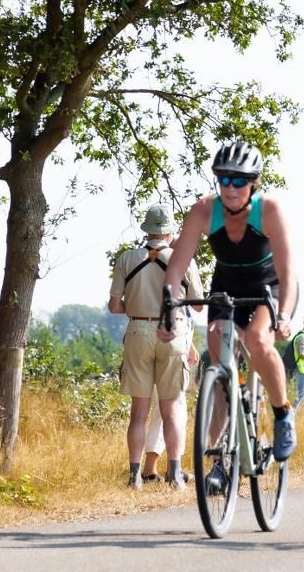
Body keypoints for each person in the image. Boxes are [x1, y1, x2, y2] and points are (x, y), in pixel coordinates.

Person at [161, 140, 299, 468]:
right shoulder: (203, 211)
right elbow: (176, 269)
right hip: (226, 289)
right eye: (223, 179)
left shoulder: (269, 210)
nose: (230, 188)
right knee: (219, 366)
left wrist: (283, 315)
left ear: (253, 183)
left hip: (268, 288)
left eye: (239, 180)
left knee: (257, 339)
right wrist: (167, 311)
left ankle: (282, 414)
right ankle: (220, 463)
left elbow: (288, 272)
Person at [109, 203, 201, 490]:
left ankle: (135, 475)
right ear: (170, 232)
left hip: (138, 330)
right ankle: (175, 474)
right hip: (172, 331)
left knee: (138, 411)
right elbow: (198, 306)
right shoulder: (183, 260)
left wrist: (137, 306)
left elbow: (114, 306)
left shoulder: (126, 258)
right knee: (171, 408)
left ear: (146, 230)